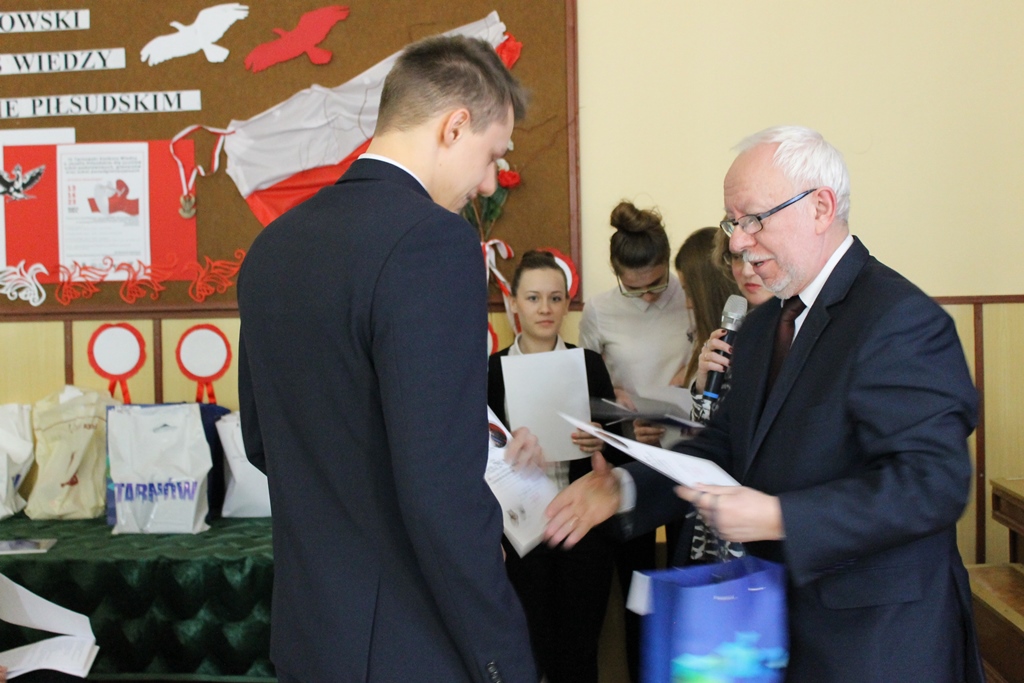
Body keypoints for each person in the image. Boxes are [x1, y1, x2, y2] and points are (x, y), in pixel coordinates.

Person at [546, 125, 983, 682]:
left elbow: (931, 483)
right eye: (733, 222)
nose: (736, 242)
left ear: (821, 208)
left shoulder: (898, 318)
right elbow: (723, 448)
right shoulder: (760, 328)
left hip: (876, 640)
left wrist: (778, 517)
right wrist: (625, 488)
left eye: (755, 219)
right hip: (777, 628)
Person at [237, 35, 541, 683]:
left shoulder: (273, 246)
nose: (490, 183)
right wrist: (505, 660)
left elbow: (263, 441)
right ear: (454, 126)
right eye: (493, 155)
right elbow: (440, 493)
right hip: (410, 642)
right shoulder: (434, 242)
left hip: (310, 636)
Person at [487, 250, 619, 683]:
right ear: (514, 304)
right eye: (533, 298)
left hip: (583, 527)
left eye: (555, 298)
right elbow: (477, 458)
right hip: (520, 535)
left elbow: (622, 454)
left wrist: (602, 439)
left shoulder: (589, 364)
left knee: (579, 654)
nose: (545, 308)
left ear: (567, 304)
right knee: (529, 651)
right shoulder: (491, 370)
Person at [577, 200, 692, 683]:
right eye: (634, 286)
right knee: (638, 589)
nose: (647, 295)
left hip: (692, 457)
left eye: (657, 283)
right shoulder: (599, 311)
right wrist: (624, 419)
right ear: (616, 273)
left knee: (689, 580)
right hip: (632, 460)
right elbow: (587, 392)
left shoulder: (691, 297)